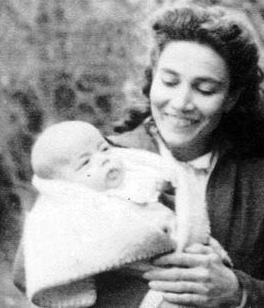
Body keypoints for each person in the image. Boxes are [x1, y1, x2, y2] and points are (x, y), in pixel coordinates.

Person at [108, 0, 264, 307]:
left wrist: (238, 291)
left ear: (231, 98)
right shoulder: (105, 159)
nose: (181, 103)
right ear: (151, 79)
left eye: (205, 89)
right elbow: (32, 268)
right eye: (169, 81)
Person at [16, 120, 185, 307]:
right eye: (86, 162)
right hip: (136, 283)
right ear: (64, 185)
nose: (103, 159)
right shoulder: (76, 209)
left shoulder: (134, 175)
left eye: (104, 149)